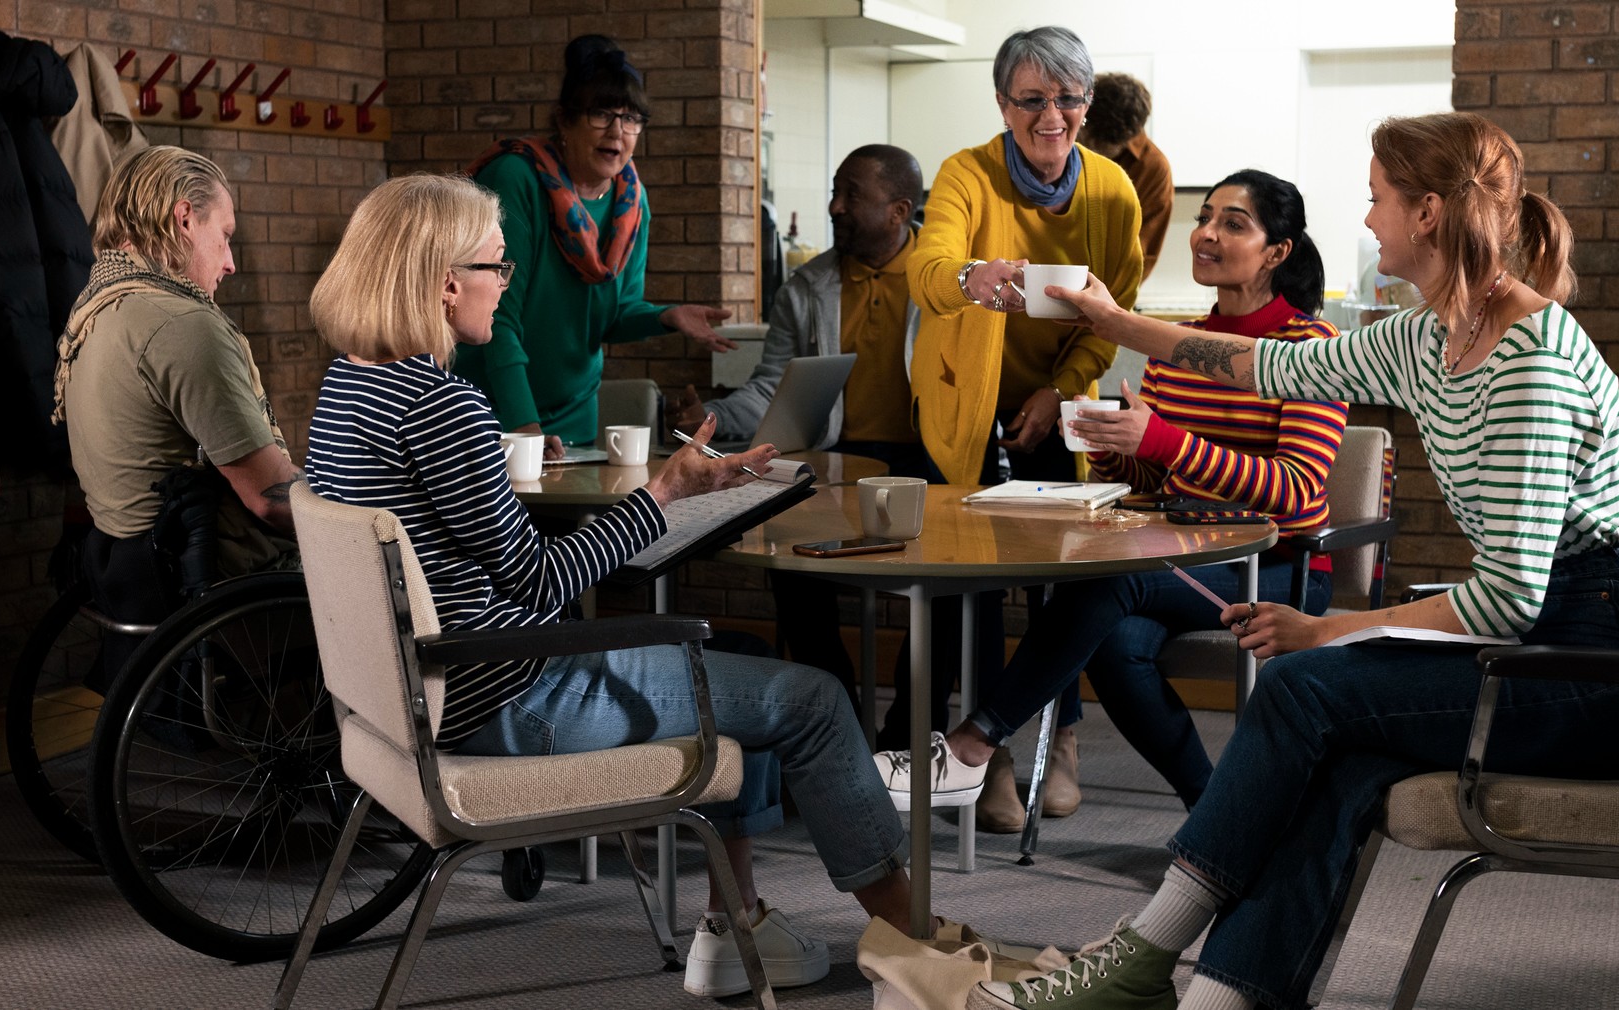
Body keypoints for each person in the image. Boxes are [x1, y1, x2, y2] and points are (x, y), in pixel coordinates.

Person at [968, 111, 1619, 1010]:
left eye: (1379, 198)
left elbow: (1506, 600)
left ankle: (1143, 956)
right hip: (1551, 638)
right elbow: (1262, 367)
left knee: (1308, 687)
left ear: (1428, 213)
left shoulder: (1527, 360)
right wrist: (1115, 320)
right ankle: (1216, 997)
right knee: (1342, 758)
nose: (1369, 216)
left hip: (1606, 669)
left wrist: (1329, 629)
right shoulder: (1431, 336)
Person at [305, 174, 965, 1000]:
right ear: (445, 282)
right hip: (508, 698)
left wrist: (663, 503)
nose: (504, 288)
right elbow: (542, 583)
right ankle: (911, 940)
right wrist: (663, 498)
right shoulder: (444, 407)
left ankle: (738, 926)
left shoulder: (349, 387)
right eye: (498, 270)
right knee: (817, 698)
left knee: (745, 658)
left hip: (415, 700)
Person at [875, 170, 1347, 833]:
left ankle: (969, 747)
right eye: (1205, 216)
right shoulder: (1172, 345)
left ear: (1278, 252)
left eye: (1234, 224)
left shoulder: (1310, 350)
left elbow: (1295, 493)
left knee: (1112, 582)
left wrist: (1163, 438)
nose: (1207, 233)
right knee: (1115, 639)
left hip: (1277, 567)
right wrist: (1111, 449)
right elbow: (1155, 486)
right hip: (1184, 560)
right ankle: (1218, 818)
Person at [896, 24, 1146, 796]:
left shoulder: (1110, 189)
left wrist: (1059, 387)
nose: (1051, 116)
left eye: (1068, 99)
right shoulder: (966, 174)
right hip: (966, 408)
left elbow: (1116, 309)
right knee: (973, 580)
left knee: (1062, 582)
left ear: (1088, 102)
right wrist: (973, 277)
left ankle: (1060, 744)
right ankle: (995, 760)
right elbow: (926, 266)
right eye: (1032, 100)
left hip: (1058, 402)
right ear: (1003, 103)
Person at [665, 144, 933, 700]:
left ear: (898, 211)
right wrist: (709, 419)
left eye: (851, 195)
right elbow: (771, 387)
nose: (835, 207)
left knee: (943, 594)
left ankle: (916, 730)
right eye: (834, 192)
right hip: (836, 458)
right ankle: (836, 707)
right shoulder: (806, 288)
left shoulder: (944, 281)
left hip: (928, 460)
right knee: (786, 559)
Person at [53, 145, 301, 673]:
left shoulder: (96, 308)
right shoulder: (181, 324)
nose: (231, 262)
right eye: (226, 235)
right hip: (199, 579)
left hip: (125, 568)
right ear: (184, 218)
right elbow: (269, 500)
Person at [451, 34, 737, 454]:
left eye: (632, 118)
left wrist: (667, 316)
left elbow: (614, 316)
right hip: (494, 410)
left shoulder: (631, 202)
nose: (618, 131)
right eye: (601, 114)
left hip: (574, 417)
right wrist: (524, 426)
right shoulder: (517, 178)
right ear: (565, 120)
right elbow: (500, 323)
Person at [1081, 72, 1173, 276]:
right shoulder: (1065, 140)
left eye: (1101, 145)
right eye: (1086, 136)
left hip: (1110, 289)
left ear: (1128, 137)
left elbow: (1142, 250)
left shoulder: (1153, 168)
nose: (1089, 147)